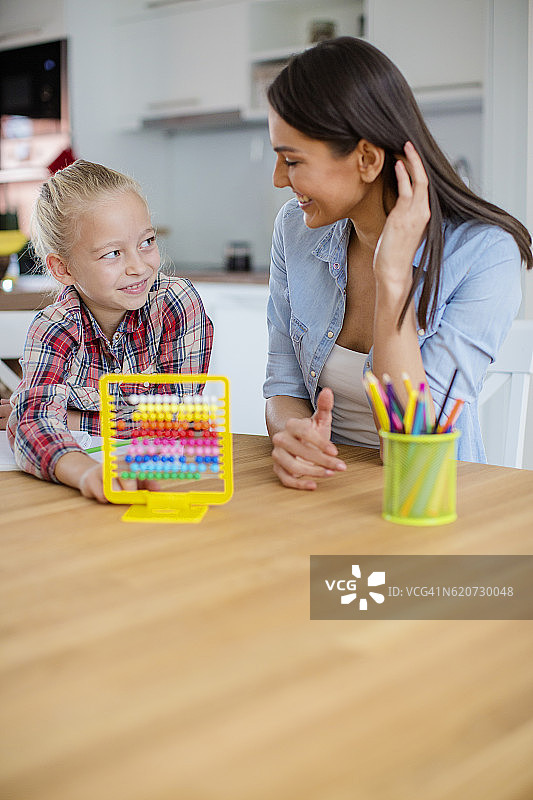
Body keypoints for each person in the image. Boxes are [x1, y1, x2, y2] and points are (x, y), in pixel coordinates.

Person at [263, 36, 532, 491]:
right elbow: (283, 385)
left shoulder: (485, 254)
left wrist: (393, 279)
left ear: (366, 159)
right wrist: (292, 436)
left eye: (292, 160)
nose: (277, 180)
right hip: (321, 491)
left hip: (423, 499)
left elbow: (409, 447)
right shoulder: (295, 229)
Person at [0, 160, 213, 502]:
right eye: (113, 253)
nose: (139, 266)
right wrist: (85, 472)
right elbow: (33, 426)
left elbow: (177, 425)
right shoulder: (54, 327)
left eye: (146, 241)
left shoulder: (175, 303)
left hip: (165, 485)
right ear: (63, 268)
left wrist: (69, 418)